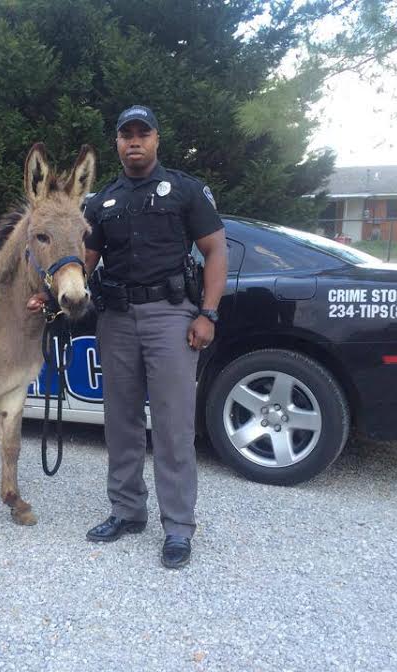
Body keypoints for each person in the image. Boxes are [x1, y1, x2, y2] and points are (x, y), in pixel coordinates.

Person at [81, 105, 227, 569]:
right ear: (117, 143)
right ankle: (127, 511)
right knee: (120, 422)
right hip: (117, 319)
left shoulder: (184, 190)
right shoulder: (101, 202)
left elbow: (215, 249)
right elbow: (83, 262)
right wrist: (52, 297)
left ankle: (179, 527)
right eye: (127, 135)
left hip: (171, 317)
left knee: (173, 425)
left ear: (157, 140)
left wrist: (208, 313)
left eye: (143, 133)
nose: (135, 141)